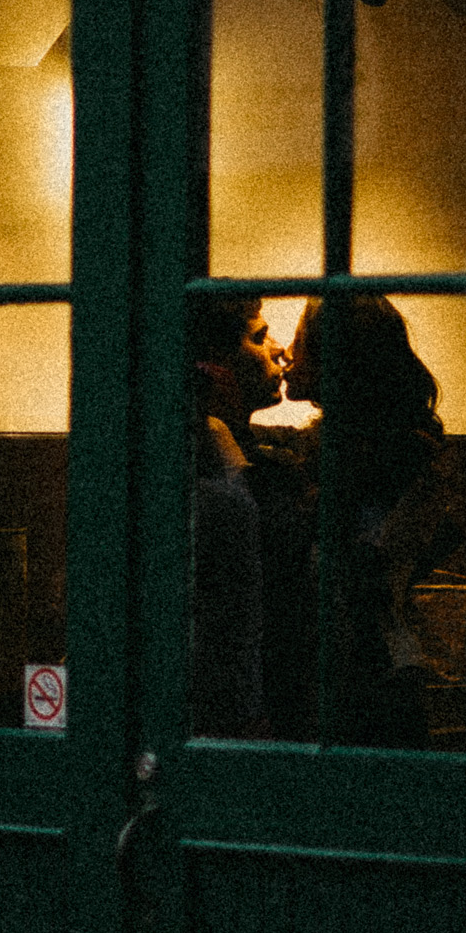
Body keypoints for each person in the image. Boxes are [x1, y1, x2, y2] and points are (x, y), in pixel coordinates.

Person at [283, 294, 451, 748]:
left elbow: (359, 580)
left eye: (299, 342)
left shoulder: (379, 461)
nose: (286, 352)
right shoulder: (377, 452)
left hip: (365, 680)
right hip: (369, 670)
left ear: (339, 360)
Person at [189, 297, 286, 737]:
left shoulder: (241, 454)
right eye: (260, 337)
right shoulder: (205, 461)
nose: (280, 349)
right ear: (212, 366)